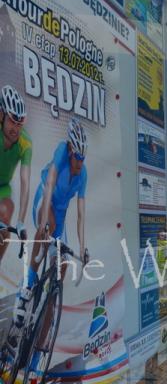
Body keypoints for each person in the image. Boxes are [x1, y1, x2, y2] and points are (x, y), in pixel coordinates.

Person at [14, 118, 88, 327]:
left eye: (84, 159)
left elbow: (81, 214)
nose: (80, 163)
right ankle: (27, 285)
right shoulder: (61, 153)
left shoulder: (83, 174)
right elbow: (49, 184)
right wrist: (45, 220)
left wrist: (83, 249)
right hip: (44, 200)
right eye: (78, 158)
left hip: (61, 215)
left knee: (63, 266)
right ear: (71, 151)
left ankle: (40, 340)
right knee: (50, 227)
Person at [0, 85, 31, 264]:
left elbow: (25, 182)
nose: (16, 129)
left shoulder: (25, 143)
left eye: (20, 123)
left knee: (7, 212)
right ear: (1, 115)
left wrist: (20, 221)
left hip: (3, 187)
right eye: (12, 121)